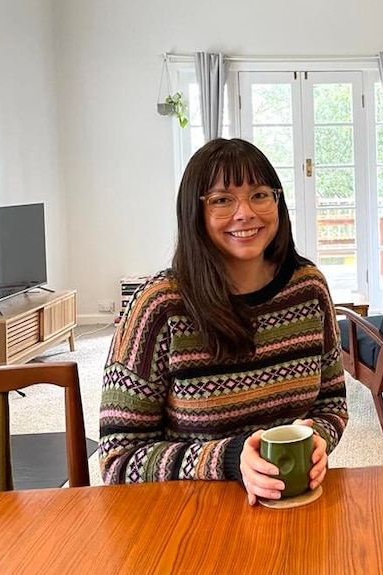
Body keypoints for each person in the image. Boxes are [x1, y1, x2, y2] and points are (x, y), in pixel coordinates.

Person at [99, 138, 348, 505]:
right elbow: (118, 460)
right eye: (221, 200)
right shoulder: (158, 307)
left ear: (277, 202)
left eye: (259, 195)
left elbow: (332, 402)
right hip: (192, 514)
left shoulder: (308, 288)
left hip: (293, 506)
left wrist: (318, 438)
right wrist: (228, 460)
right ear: (193, 213)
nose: (245, 213)